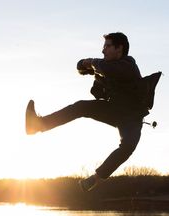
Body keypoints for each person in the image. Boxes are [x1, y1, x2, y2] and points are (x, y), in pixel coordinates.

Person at [26, 32, 149, 192]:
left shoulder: (128, 64)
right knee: (81, 107)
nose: (103, 50)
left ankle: (96, 178)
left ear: (119, 49)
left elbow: (105, 67)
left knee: (128, 146)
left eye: (107, 46)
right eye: (103, 46)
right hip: (115, 111)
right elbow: (98, 92)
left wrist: (90, 63)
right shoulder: (106, 69)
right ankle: (37, 125)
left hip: (132, 118)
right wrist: (94, 75)